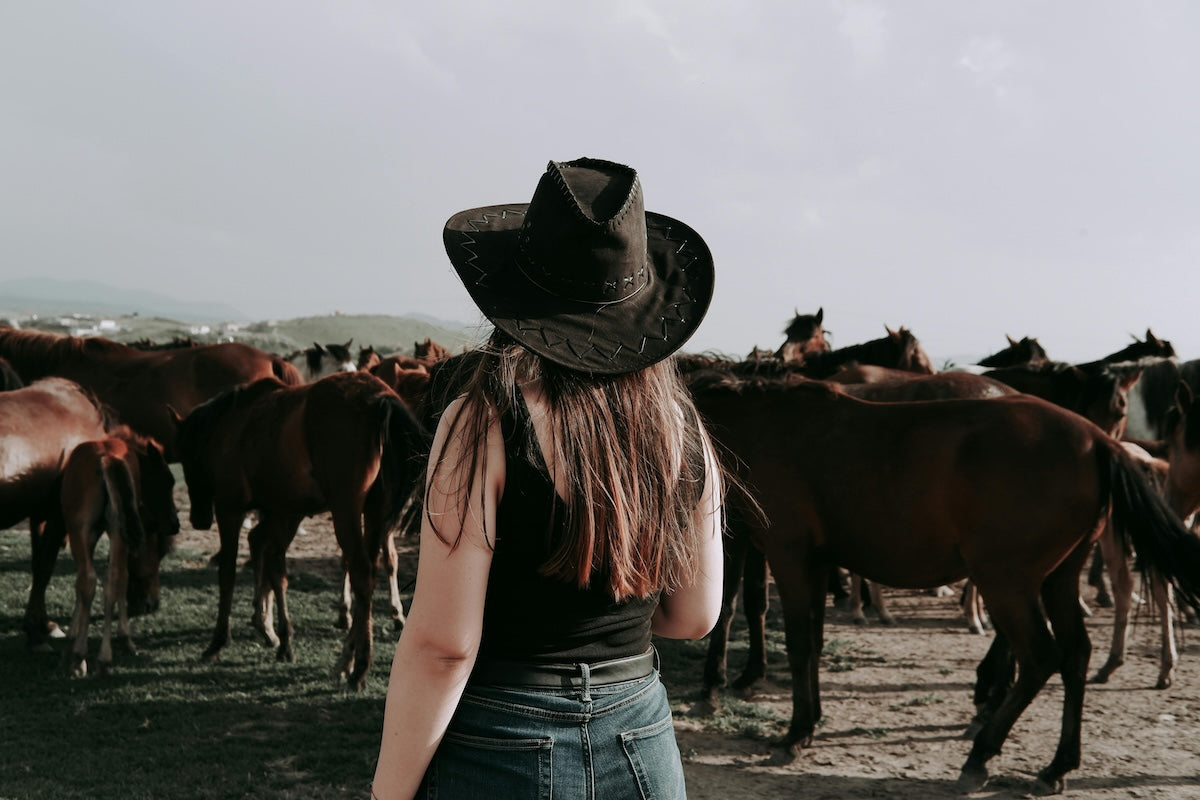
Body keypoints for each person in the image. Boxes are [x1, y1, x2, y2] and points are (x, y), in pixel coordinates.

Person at [371, 157, 724, 800]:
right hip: (642, 736)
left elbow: (444, 647)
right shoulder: (684, 429)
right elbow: (695, 615)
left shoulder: (480, 424)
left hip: (500, 741)